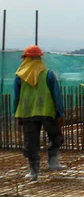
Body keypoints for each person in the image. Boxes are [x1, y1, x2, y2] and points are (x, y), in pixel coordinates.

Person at [13, 45, 67, 181]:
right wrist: (60, 113)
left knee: (31, 143)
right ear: (39, 58)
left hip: (28, 113)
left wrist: (17, 114)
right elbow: (57, 95)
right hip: (47, 112)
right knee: (55, 137)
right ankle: (52, 162)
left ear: (25, 58)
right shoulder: (47, 73)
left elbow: (16, 97)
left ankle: (34, 172)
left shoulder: (19, 76)